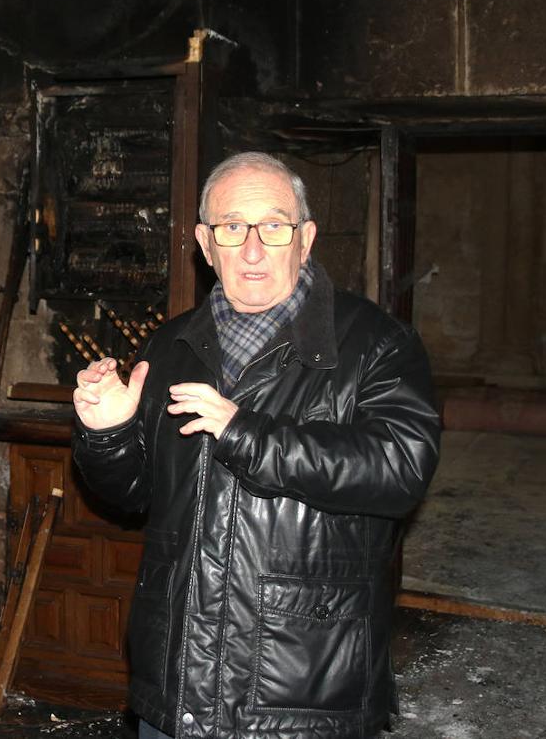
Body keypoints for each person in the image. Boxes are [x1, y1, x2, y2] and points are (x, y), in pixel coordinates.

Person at [71, 152, 441, 739]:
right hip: (178, 679)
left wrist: (244, 431)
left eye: (273, 227)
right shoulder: (170, 347)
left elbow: (398, 471)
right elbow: (131, 496)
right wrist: (109, 432)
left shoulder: (375, 344)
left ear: (306, 238)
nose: (250, 249)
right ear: (203, 241)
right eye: (230, 228)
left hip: (299, 684)